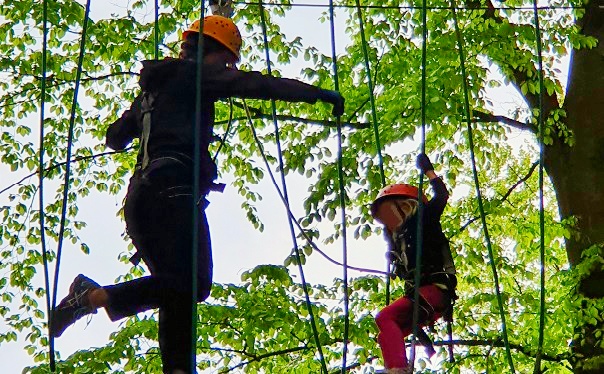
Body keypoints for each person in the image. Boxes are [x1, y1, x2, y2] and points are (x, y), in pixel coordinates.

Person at [50, 15, 344, 374]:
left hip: (142, 199)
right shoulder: (195, 75)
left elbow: (115, 137)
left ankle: (177, 368)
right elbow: (258, 86)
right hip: (172, 193)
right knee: (194, 283)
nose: (228, 67)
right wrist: (318, 94)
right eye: (226, 60)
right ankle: (93, 297)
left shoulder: (151, 92)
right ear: (211, 52)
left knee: (176, 289)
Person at [371, 154, 457, 374]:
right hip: (427, 299)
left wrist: (429, 171)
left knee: (385, 317)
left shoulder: (424, 220)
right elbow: (412, 296)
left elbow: (441, 196)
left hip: (435, 290)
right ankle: (397, 367)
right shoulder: (400, 246)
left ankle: (397, 369)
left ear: (406, 206)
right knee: (388, 331)